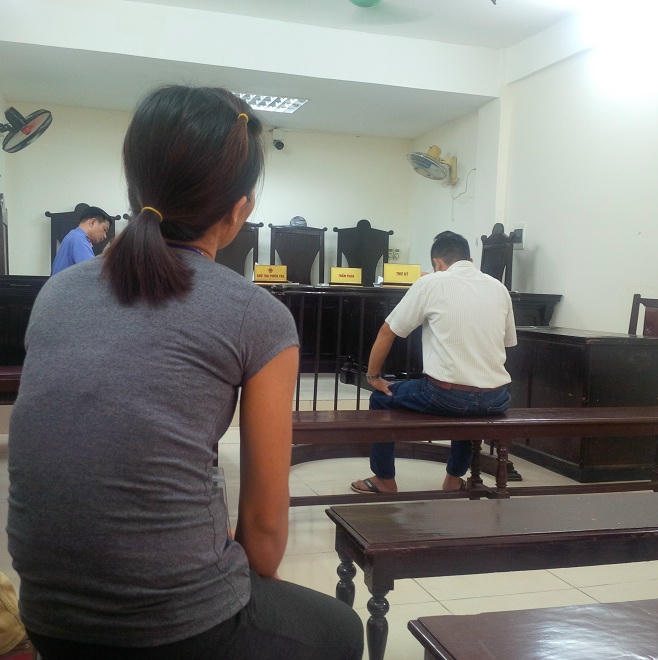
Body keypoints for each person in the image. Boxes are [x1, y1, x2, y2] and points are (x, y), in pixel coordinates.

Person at [9, 86, 363, 660]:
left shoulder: (57, 294)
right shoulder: (256, 315)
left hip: (48, 617)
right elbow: (265, 539)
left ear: (133, 187)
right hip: (178, 629)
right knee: (340, 630)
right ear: (241, 210)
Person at [351, 230, 517, 495]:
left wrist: (372, 377)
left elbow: (387, 331)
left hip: (447, 396)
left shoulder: (431, 283)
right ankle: (453, 480)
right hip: (496, 398)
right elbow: (508, 343)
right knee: (469, 405)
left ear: (438, 263)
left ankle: (384, 479)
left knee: (381, 398)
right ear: (470, 259)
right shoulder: (498, 288)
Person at [50, 206, 111, 275]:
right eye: (104, 229)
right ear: (92, 222)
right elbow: (92, 273)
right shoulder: (78, 239)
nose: (105, 236)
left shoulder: (75, 235)